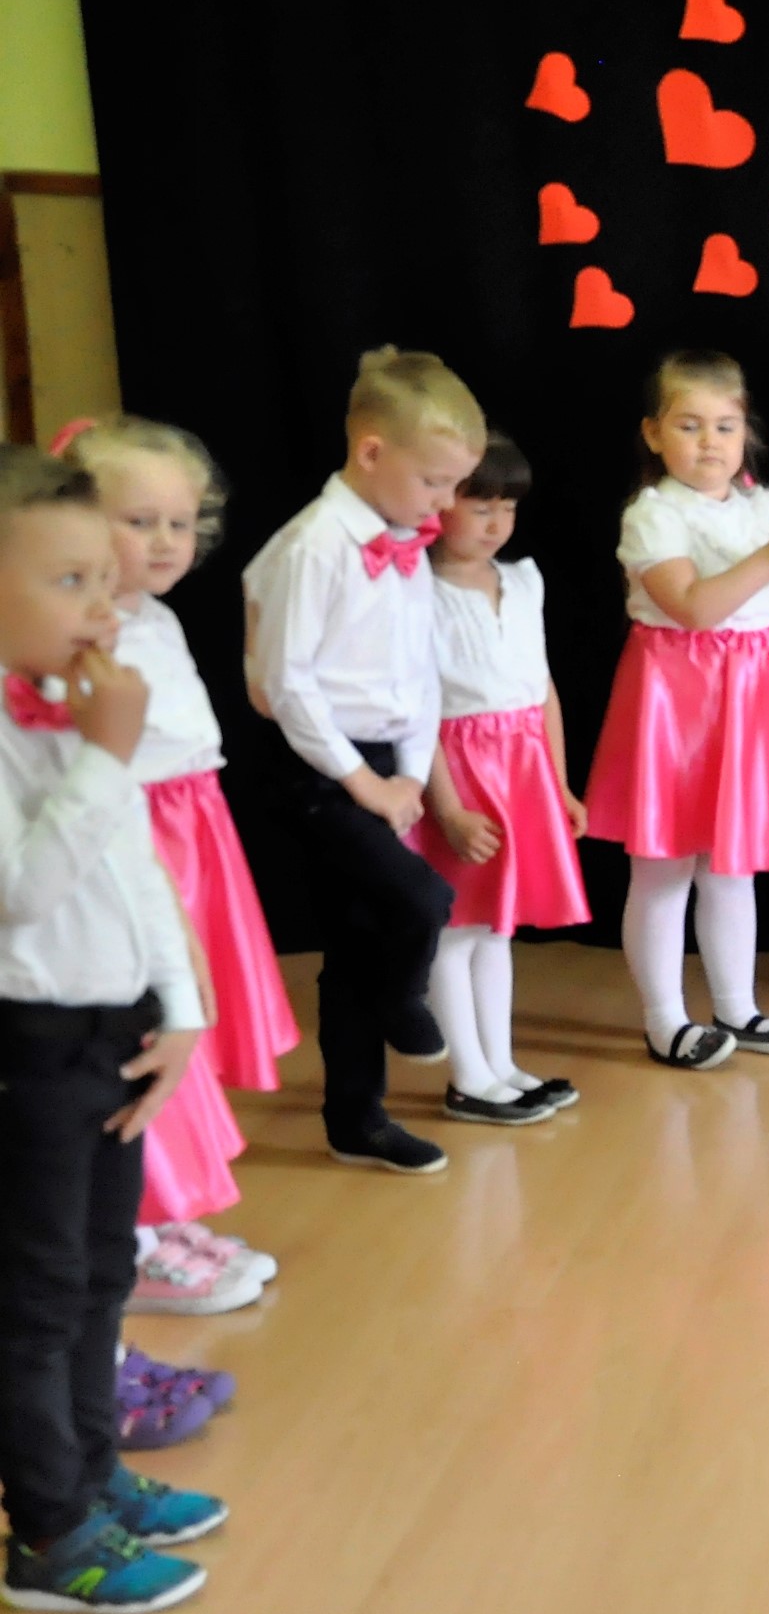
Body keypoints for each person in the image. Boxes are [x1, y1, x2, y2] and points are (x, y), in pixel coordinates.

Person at [0, 444, 224, 1614]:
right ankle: (47, 1531)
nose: (103, 607)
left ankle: (92, 1475)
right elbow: (21, 893)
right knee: (35, 1297)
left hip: (113, 1029)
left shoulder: (76, 710)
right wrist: (102, 757)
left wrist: (179, 1011)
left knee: (101, 1273)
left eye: (103, 581)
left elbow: (137, 875)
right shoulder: (62, 732)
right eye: (68, 583)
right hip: (27, 1051)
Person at [584, 351, 769, 1069]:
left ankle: (737, 1006)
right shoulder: (653, 514)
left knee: (732, 866)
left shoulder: (764, 507)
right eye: (690, 425)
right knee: (665, 865)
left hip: (751, 691)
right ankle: (665, 1019)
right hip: (675, 697)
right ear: (653, 433)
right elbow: (695, 608)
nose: (710, 442)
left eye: (726, 426)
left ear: (746, 433)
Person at [244, 348, 478, 1172]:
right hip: (314, 763)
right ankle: (401, 998)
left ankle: (356, 1118)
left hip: (381, 759)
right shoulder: (314, 546)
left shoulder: (402, 543)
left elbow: (419, 675)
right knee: (422, 897)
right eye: (435, 482)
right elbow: (285, 683)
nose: (446, 504)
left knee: (355, 938)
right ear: (372, 452)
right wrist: (363, 783)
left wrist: (409, 772)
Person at [70, 416, 285, 1312]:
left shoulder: (152, 617)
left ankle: (160, 1218)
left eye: (180, 523)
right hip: (140, 846)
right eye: (139, 521)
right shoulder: (79, 639)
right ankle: (128, 1241)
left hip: (196, 837)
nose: (166, 542)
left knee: (185, 1035)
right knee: (148, 1032)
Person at [415, 434, 590, 1118]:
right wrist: (448, 808)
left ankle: (501, 1064)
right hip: (460, 770)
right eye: (479, 506)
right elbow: (418, 709)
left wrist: (560, 782)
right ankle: (468, 1076)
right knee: (457, 928)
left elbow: (542, 689)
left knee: (496, 927)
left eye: (507, 508)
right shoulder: (416, 591)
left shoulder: (523, 581)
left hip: (521, 766)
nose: (496, 524)